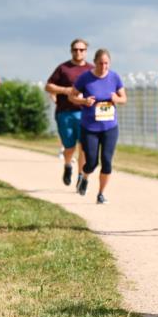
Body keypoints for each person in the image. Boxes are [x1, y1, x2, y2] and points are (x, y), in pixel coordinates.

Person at [69, 48, 126, 204]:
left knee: (107, 161)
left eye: (106, 63)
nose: (103, 66)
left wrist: (116, 98)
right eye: (100, 63)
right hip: (90, 127)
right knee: (92, 162)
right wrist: (83, 101)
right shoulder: (85, 78)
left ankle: (101, 194)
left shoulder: (114, 77)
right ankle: (85, 177)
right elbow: (71, 96)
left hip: (110, 127)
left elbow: (124, 98)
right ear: (94, 62)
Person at [46, 39, 94, 188]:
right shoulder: (63, 68)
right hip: (65, 112)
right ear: (71, 50)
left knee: (84, 147)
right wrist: (65, 90)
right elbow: (48, 86)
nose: (78, 52)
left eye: (81, 50)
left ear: (86, 51)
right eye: (75, 49)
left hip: (85, 114)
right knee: (69, 147)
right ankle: (68, 166)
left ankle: (81, 176)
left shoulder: (91, 70)